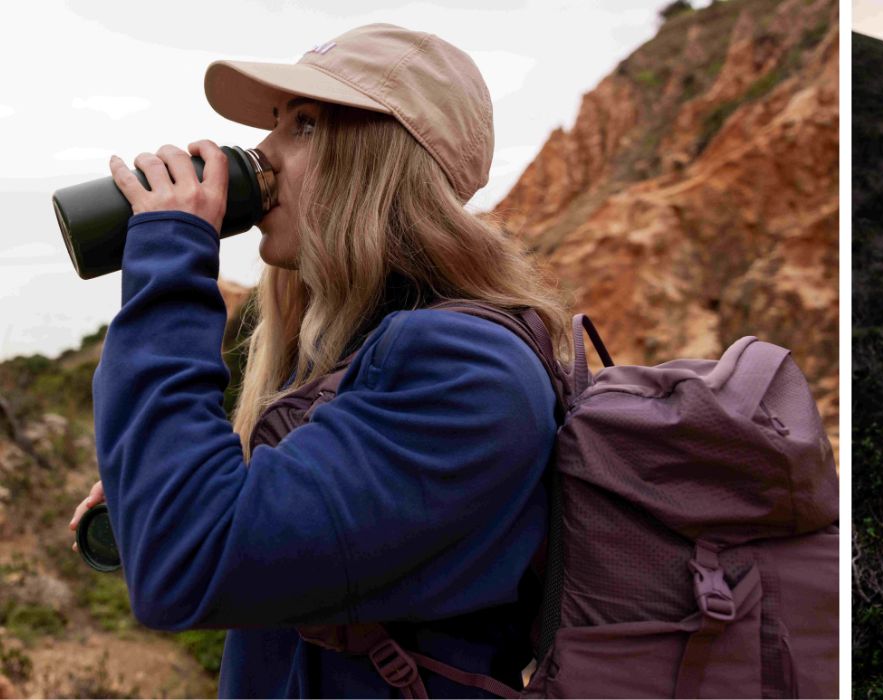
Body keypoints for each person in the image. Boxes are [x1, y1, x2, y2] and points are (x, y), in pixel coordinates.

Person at [67, 23, 567, 697]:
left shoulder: (467, 372)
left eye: (301, 126)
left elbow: (186, 565)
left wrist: (169, 254)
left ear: (381, 163)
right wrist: (164, 481)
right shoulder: (363, 352)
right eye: (276, 124)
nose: (260, 155)